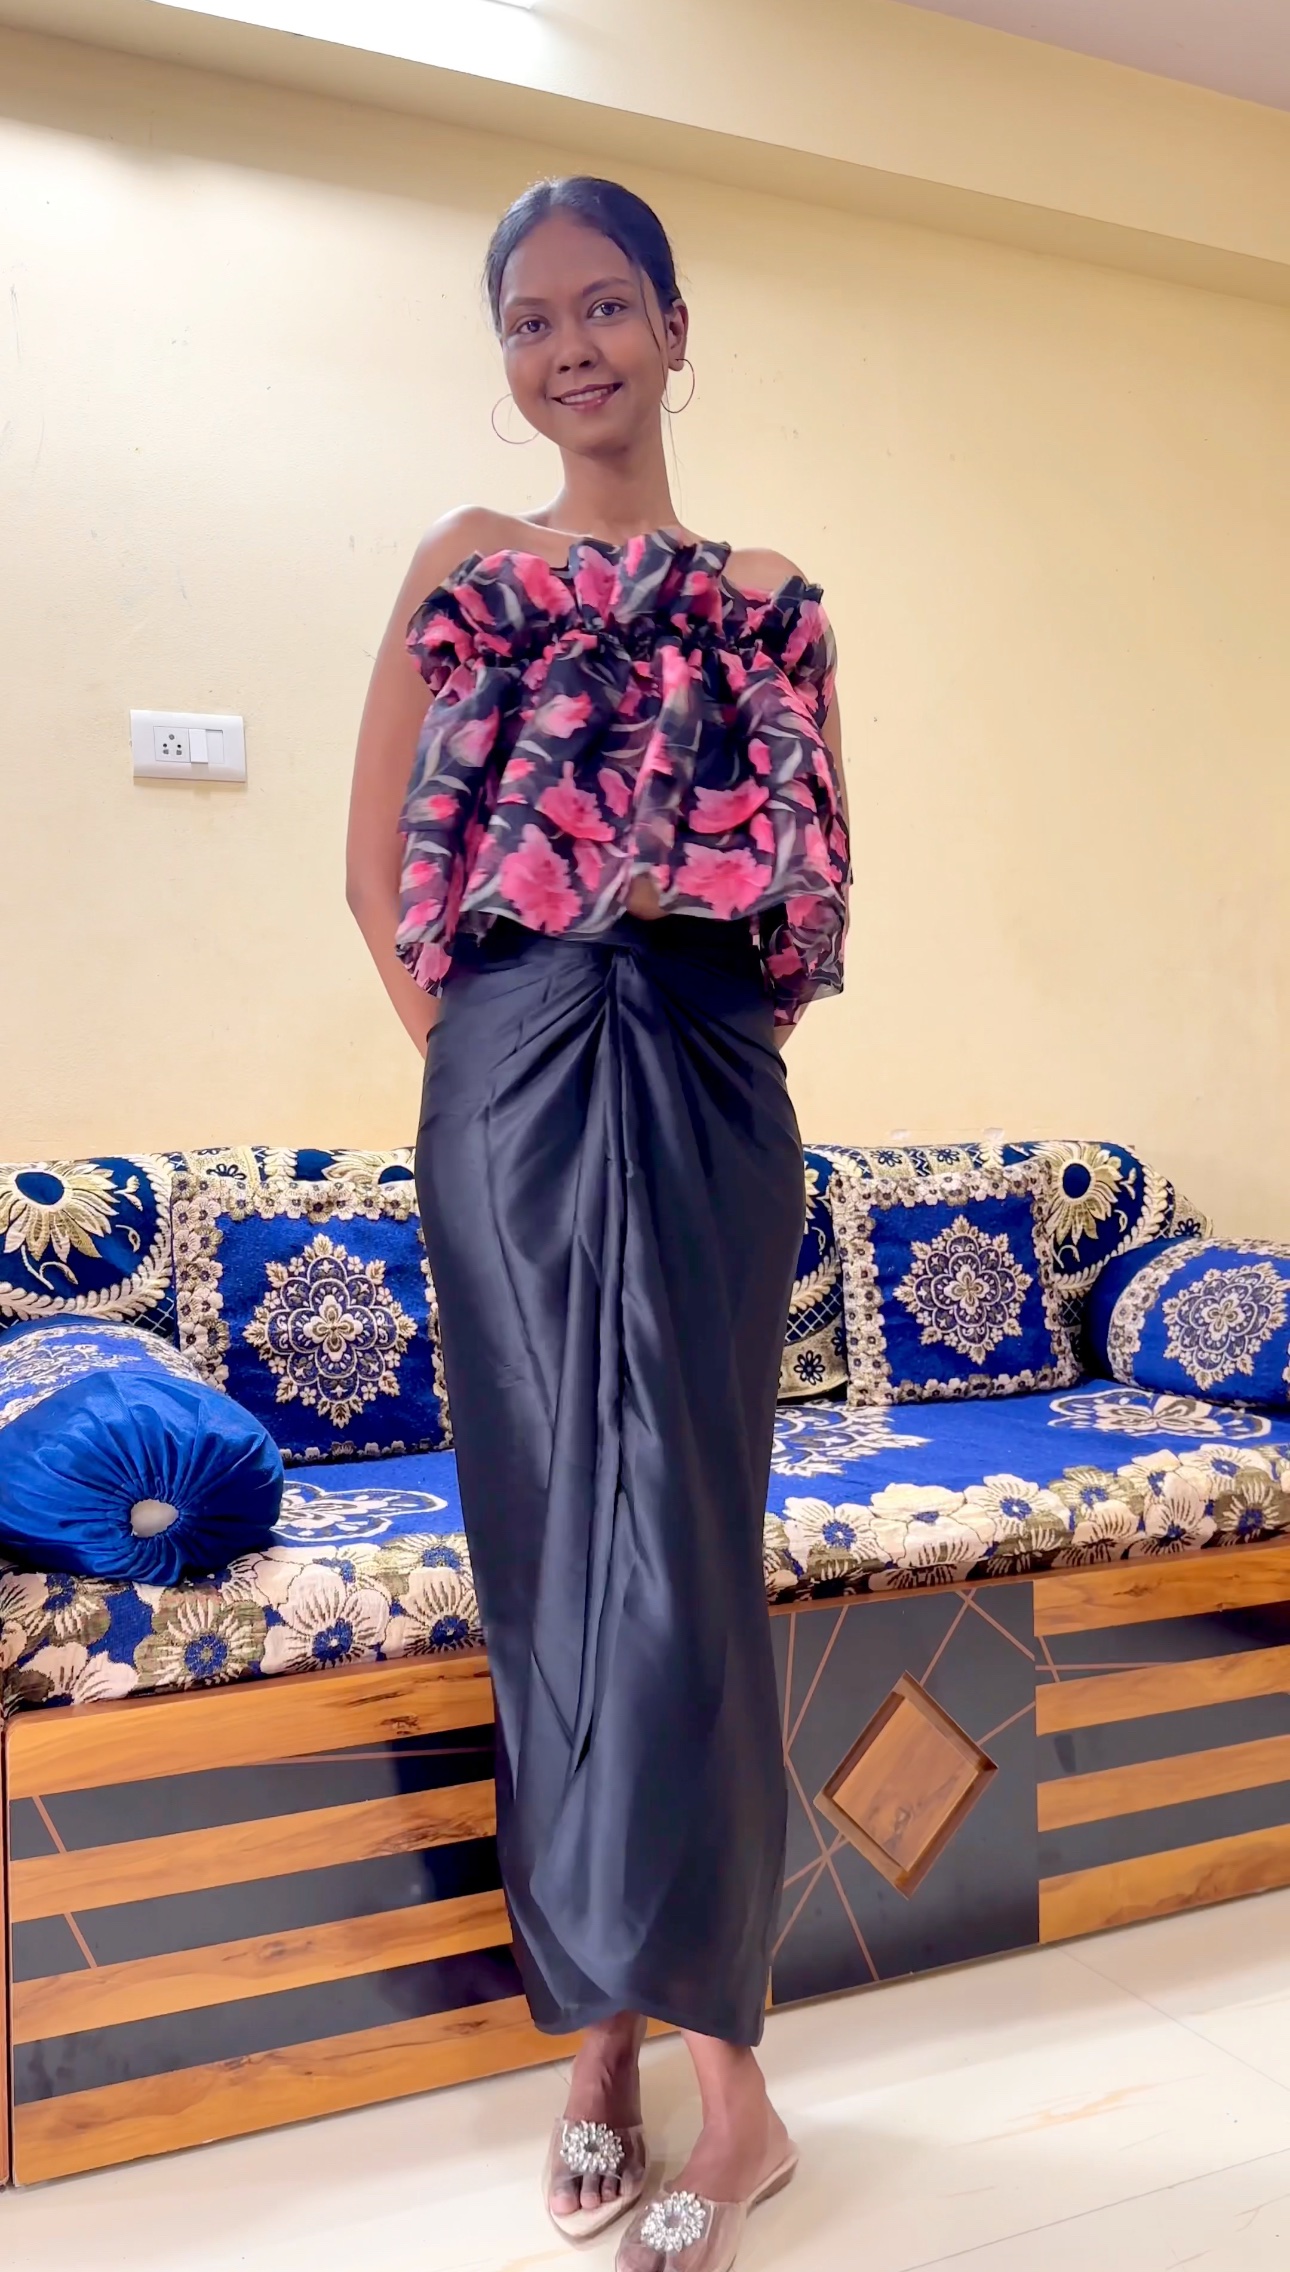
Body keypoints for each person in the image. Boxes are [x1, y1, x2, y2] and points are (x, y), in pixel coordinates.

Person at [347, 175, 849, 2272]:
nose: (573, 347)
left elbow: (811, 900)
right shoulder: (465, 568)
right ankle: (598, 2047)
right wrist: (490, 1067)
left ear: (672, 327)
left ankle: (738, 2096)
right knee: (548, 1561)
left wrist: (677, 1026)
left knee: (688, 1572)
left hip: (712, 1075)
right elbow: (378, 875)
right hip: (511, 1081)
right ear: (506, 357)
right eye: (534, 319)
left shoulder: (774, 595)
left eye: (609, 306)